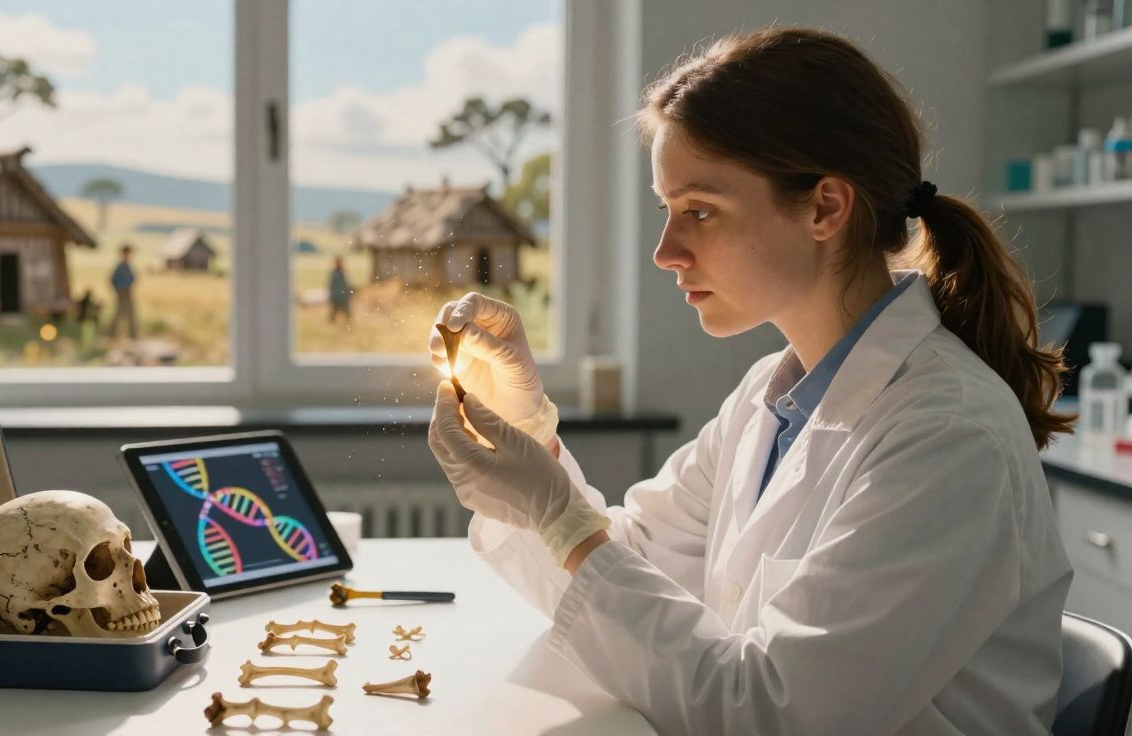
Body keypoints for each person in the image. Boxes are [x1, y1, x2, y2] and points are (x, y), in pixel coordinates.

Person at [427, 27, 1074, 735]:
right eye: (666, 210)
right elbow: (627, 571)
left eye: (699, 211)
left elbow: (776, 712)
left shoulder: (949, 435)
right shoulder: (774, 397)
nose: (665, 252)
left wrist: (559, 516)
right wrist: (531, 446)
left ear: (826, 207)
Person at [107, 243, 138, 339]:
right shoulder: (120, 266)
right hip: (121, 293)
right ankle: (112, 333)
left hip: (128, 292)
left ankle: (132, 334)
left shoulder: (128, 265)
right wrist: (118, 290)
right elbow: (112, 280)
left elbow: (132, 279)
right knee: (118, 313)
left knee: (131, 313)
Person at [328, 256, 352, 323]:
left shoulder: (343, 272)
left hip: (343, 296)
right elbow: (331, 285)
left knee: (347, 313)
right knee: (334, 313)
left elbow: (347, 284)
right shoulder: (334, 273)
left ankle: (348, 323)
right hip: (337, 296)